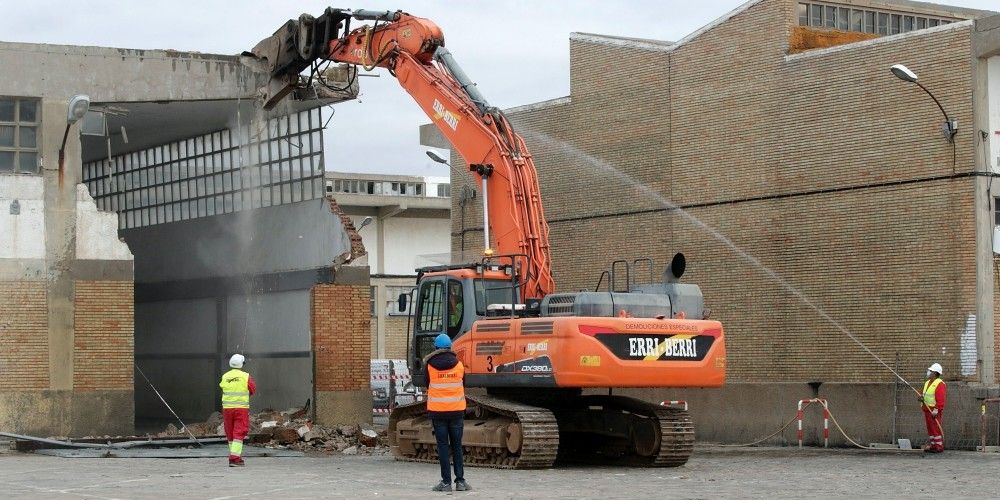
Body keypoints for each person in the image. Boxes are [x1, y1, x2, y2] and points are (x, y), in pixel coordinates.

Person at [422, 333, 470, 492]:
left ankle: (446, 482)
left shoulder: (429, 365)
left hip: (438, 413)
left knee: (443, 446)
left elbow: (427, 385)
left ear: (435, 348)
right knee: (457, 446)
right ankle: (461, 482)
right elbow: (463, 384)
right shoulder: (459, 365)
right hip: (456, 412)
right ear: (450, 347)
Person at [220, 353, 256, 467]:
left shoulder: (225, 376)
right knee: (239, 432)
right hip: (241, 409)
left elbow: (222, 387)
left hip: (227, 409)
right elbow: (253, 388)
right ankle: (234, 458)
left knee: (230, 433)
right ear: (242, 364)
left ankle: (235, 456)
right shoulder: (246, 376)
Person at [919, 362, 946, 453]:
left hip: (934, 411)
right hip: (927, 409)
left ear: (934, 373)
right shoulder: (927, 383)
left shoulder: (939, 384)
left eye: (930, 371)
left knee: (935, 429)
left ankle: (939, 447)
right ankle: (933, 445)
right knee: (930, 429)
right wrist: (921, 398)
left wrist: (936, 409)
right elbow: (925, 394)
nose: (928, 372)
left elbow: (940, 398)